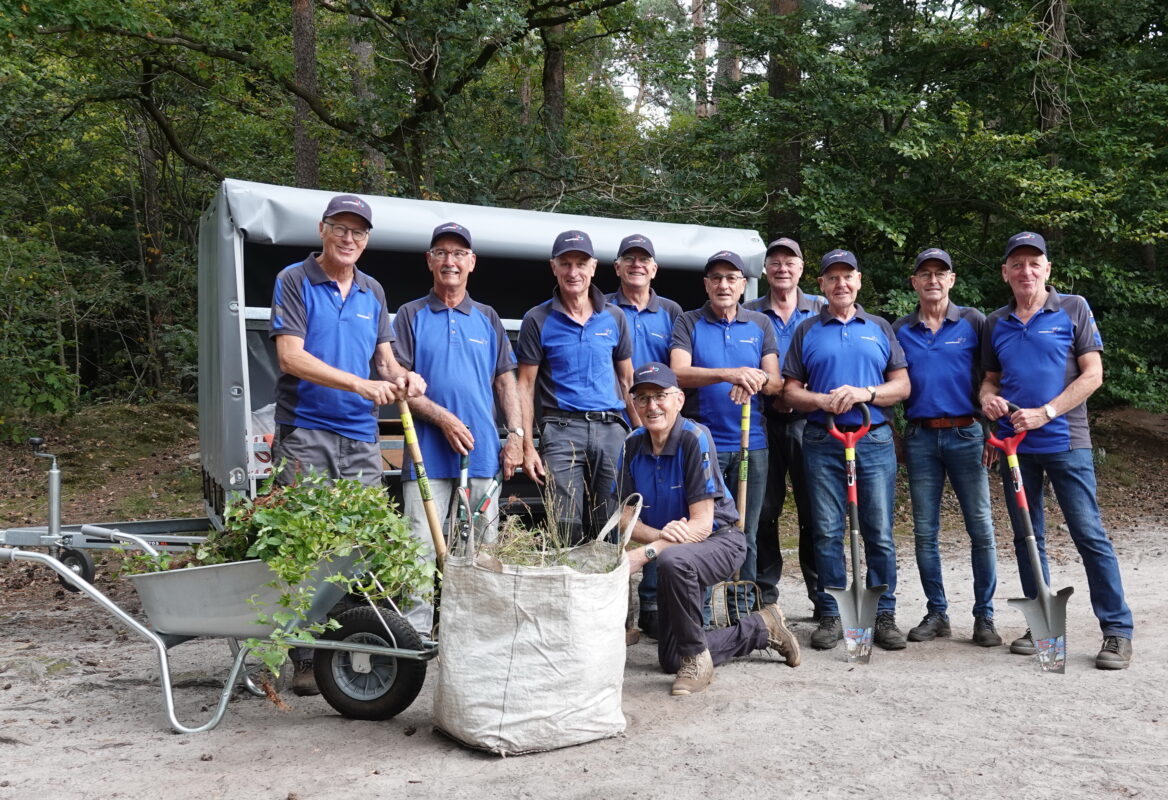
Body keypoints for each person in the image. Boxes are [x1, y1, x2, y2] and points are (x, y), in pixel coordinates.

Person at [268, 193, 425, 695]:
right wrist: (358, 385)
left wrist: (405, 377)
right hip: (306, 433)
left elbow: (384, 361)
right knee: (305, 545)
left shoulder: (373, 290)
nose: (349, 238)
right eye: (341, 228)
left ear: (366, 240)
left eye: (359, 232)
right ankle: (304, 656)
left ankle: (345, 645)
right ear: (323, 229)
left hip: (360, 437)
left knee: (359, 547)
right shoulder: (294, 280)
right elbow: (291, 357)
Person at [980, 231, 1134, 670]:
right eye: (1017, 264)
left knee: (1089, 535)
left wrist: (1046, 412)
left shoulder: (1073, 308)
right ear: (1006, 272)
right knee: (1029, 537)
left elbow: (1093, 375)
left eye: (1034, 263)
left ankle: (1117, 632)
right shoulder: (996, 322)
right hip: (1015, 448)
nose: (1026, 271)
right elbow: (991, 379)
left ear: (1047, 269)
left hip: (1066, 441)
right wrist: (987, 400)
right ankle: (1042, 624)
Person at [616, 362, 800, 696]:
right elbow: (626, 520)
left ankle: (699, 663)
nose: (651, 406)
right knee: (673, 658)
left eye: (660, 396)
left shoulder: (694, 438)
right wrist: (665, 537)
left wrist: (650, 551)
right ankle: (761, 627)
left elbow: (701, 525)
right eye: (642, 398)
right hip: (680, 547)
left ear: (679, 400)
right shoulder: (631, 444)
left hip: (721, 541)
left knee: (674, 561)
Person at [392, 221, 523, 635]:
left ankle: (474, 628)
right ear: (430, 261)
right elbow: (399, 383)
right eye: (442, 253)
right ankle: (416, 633)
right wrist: (445, 419)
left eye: (459, 254)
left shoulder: (487, 318)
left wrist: (516, 437)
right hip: (425, 453)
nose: (451, 261)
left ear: (472, 263)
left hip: (481, 453)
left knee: (481, 545)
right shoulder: (410, 315)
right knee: (420, 546)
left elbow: (506, 382)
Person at [781, 249, 911, 651]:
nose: (840, 284)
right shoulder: (807, 330)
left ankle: (883, 612)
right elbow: (789, 390)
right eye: (832, 277)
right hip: (822, 441)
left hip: (872, 441)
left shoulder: (879, 327)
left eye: (847, 276)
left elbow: (902, 386)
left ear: (858, 281)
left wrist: (865, 393)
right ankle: (833, 613)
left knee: (879, 532)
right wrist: (820, 401)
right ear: (820, 285)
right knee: (826, 531)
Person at [893, 247, 1000, 647]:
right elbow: (889, 381)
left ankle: (984, 617)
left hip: (967, 434)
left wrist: (993, 428)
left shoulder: (974, 321)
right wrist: (894, 433)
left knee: (981, 529)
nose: (933, 280)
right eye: (925, 273)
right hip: (920, 437)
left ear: (952, 279)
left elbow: (993, 377)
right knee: (925, 532)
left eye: (941, 273)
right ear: (915, 282)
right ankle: (937, 612)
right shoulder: (900, 328)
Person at [670, 251, 781, 618]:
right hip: (704, 445)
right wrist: (730, 373)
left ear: (743, 284)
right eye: (716, 278)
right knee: (703, 529)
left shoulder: (760, 324)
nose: (724, 285)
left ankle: (741, 611)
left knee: (746, 530)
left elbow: (775, 381)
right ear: (706, 284)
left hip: (752, 446)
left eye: (732, 278)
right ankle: (699, 610)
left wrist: (755, 378)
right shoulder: (688, 322)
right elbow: (679, 374)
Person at [517, 230, 636, 544]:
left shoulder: (614, 317)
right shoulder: (537, 319)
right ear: (553, 267)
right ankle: (567, 589)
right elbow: (525, 386)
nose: (573, 272)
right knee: (564, 523)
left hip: (611, 428)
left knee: (611, 521)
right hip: (561, 428)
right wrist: (528, 446)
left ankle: (610, 591)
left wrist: (641, 436)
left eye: (581, 264)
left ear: (593, 267)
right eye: (565, 264)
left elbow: (628, 381)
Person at [606, 233, 683, 639]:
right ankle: (619, 610)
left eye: (644, 260)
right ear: (617, 267)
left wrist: (659, 420)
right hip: (618, 425)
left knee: (658, 508)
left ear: (654, 269)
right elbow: (618, 373)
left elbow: (677, 369)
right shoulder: (602, 307)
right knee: (618, 515)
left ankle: (653, 603)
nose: (637, 265)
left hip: (661, 426)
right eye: (628, 259)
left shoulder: (670, 312)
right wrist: (633, 419)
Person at [744, 237, 825, 617]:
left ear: (801, 268)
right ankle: (764, 594)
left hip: (813, 424)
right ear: (765, 270)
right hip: (763, 422)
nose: (781, 268)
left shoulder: (822, 309)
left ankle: (823, 595)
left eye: (789, 261)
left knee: (817, 511)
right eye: (774, 261)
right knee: (763, 510)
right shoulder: (749, 313)